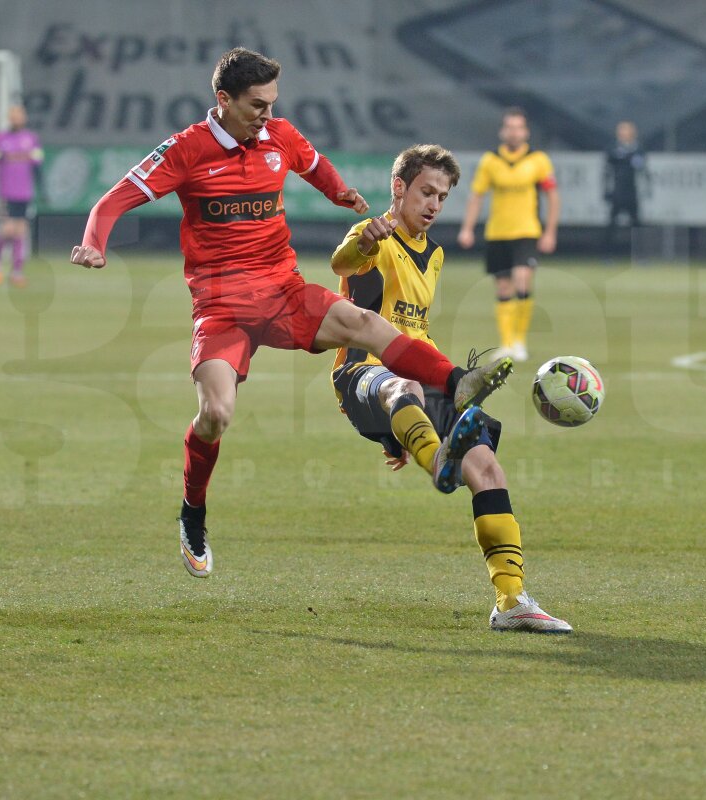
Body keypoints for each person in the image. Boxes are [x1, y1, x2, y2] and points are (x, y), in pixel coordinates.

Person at [69, 48, 512, 578]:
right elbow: (111, 202)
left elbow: (312, 161)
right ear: (223, 100)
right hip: (222, 307)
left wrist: (338, 191)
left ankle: (459, 383)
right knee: (216, 414)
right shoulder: (186, 150)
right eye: (257, 104)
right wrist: (94, 243)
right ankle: (193, 512)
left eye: (273, 103)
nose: (267, 114)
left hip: (283, 291)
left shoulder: (278, 133)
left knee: (365, 323)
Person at [332, 143, 570, 633]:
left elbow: (412, 330)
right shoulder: (373, 236)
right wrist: (365, 239)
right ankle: (439, 461)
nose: (435, 204)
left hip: (414, 380)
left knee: (487, 467)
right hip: (362, 374)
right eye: (425, 191)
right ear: (398, 188)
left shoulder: (434, 254)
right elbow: (341, 262)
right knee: (404, 390)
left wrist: (405, 428)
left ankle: (511, 600)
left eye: (442, 195)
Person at [457, 107, 560, 363]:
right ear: (503, 131)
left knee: (523, 280)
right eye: (509, 127)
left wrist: (550, 232)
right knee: (503, 287)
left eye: (519, 127)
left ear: (525, 131)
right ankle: (506, 344)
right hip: (497, 233)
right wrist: (467, 228)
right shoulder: (491, 161)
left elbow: (552, 196)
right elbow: (477, 195)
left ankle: (519, 342)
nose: (514, 132)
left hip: (527, 231)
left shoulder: (537, 160)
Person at [0, 104, 43, 288]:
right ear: (9, 118)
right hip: (6, 193)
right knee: (8, 229)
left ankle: (17, 272)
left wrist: (43, 190)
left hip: (24, 193)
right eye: (14, 115)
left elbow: (37, 167)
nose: (17, 118)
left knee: (21, 231)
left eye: (20, 115)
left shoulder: (31, 139)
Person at [604, 120, 647, 251]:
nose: (623, 133)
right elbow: (608, 167)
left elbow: (641, 165)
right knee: (612, 225)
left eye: (626, 130)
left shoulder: (638, 149)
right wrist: (606, 190)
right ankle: (607, 255)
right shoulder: (613, 149)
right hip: (617, 192)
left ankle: (640, 254)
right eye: (621, 130)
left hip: (631, 192)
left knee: (636, 224)